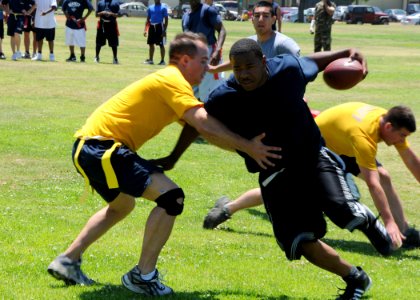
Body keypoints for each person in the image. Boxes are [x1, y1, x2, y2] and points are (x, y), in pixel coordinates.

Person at [152, 38, 395, 299]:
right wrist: (174, 156)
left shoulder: (287, 70)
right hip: (275, 174)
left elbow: (314, 62)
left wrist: (348, 51)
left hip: (312, 157)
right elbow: (196, 122)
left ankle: (366, 219)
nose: (243, 74)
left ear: (263, 62)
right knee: (299, 241)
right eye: (237, 68)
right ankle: (355, 279)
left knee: (343, 211)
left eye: (249, 66)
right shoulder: (225, 96)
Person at [46, 32, 281, 296]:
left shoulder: (171, 83)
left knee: (121, 206)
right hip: (104, 148)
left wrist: (246, 147)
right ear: (183, 60)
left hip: (90, 148)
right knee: (172, 198)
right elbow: (204, 122)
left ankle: (68, 261)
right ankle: (143, 277)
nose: (208, 67)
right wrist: (247, 145)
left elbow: (203, 130)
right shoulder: (173, 79)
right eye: (203, 61)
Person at [204, 102, 420, 249]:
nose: (401, 140)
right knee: (286, 189)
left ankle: (404, 232)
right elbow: (372, 185)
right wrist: (387, 222)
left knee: (385, 176)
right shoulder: (364, 136)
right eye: (401, 135)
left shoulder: (385, 119)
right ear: (389, 126)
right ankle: (226, 209)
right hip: (314, 146)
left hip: (341, 146)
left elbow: (410, 159)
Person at [208, 1, 299, 75]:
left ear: (273, 20)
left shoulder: (284, 44)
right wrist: (214, 69)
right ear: (252, 20)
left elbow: (298, 71)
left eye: (266, 16)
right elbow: (238, 62)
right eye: (257, 16)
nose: (260, 19)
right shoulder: (249, 43)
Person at [182, 0, 226, 102]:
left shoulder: (208, 10)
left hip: (209, 54)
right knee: (192, 93)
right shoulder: (186, 16)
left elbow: (222, 30)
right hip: (192, 56)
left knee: (211, 93)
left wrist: (217, 51)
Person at [94, 0, 120, 64]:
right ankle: (96, 57)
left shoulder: (116, 3)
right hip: (102, 24)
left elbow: (118, 15)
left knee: (114, 43)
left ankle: (115, 58)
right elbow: (96, 14)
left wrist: (111, 14)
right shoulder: (100, 3)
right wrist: (102, 13)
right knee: (99, 42)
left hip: (112, 25)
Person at [143, 0, 168, 65]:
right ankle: (151, 60)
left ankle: (162, 61)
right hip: (151, 26)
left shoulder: (163, 7)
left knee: (161, 44)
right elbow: (148, 19)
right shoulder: (150, 7)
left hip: (159, 26)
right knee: (150, 43)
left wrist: (164, 30)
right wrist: (145, 30)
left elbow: (166, 20)